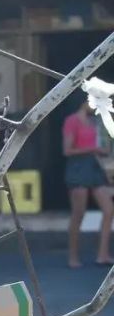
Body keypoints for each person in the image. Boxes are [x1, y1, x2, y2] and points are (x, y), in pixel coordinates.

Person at [62, 98, 114, 268]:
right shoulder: (72, 121)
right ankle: (73, 257)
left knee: (109, 209)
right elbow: (67, 150)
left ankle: (102, 254)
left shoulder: (96, 122)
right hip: (78, 168)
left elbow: (102, 144)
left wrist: (103, 153)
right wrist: (93, 149)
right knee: (79, 213)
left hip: (94, 166)